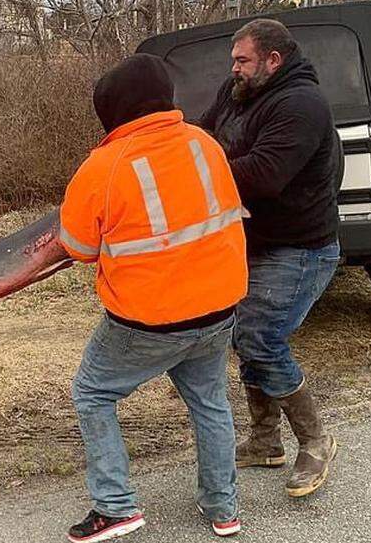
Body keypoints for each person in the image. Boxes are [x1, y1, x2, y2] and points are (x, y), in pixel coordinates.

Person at [60, 54, 249, 542]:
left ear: (111, 111)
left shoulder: (102, 167)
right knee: (210, 403)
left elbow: (78, 249)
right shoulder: (205, 145)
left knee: (92, 393)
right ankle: (223, 508)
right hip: (219, 309)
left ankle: (116, 506)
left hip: (148, 321)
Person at [197, 18, 343, 498]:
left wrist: (192, 177)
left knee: (260, 339)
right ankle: (264, 441)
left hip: (299, 248)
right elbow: (203, 135)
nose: (233, 69)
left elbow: (261, 175)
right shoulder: (238, 90)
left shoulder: (300, 104)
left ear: (273, 61)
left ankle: (316, 439)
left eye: (242, 60)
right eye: (234, 61)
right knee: (245, 336)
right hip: (250, 243)